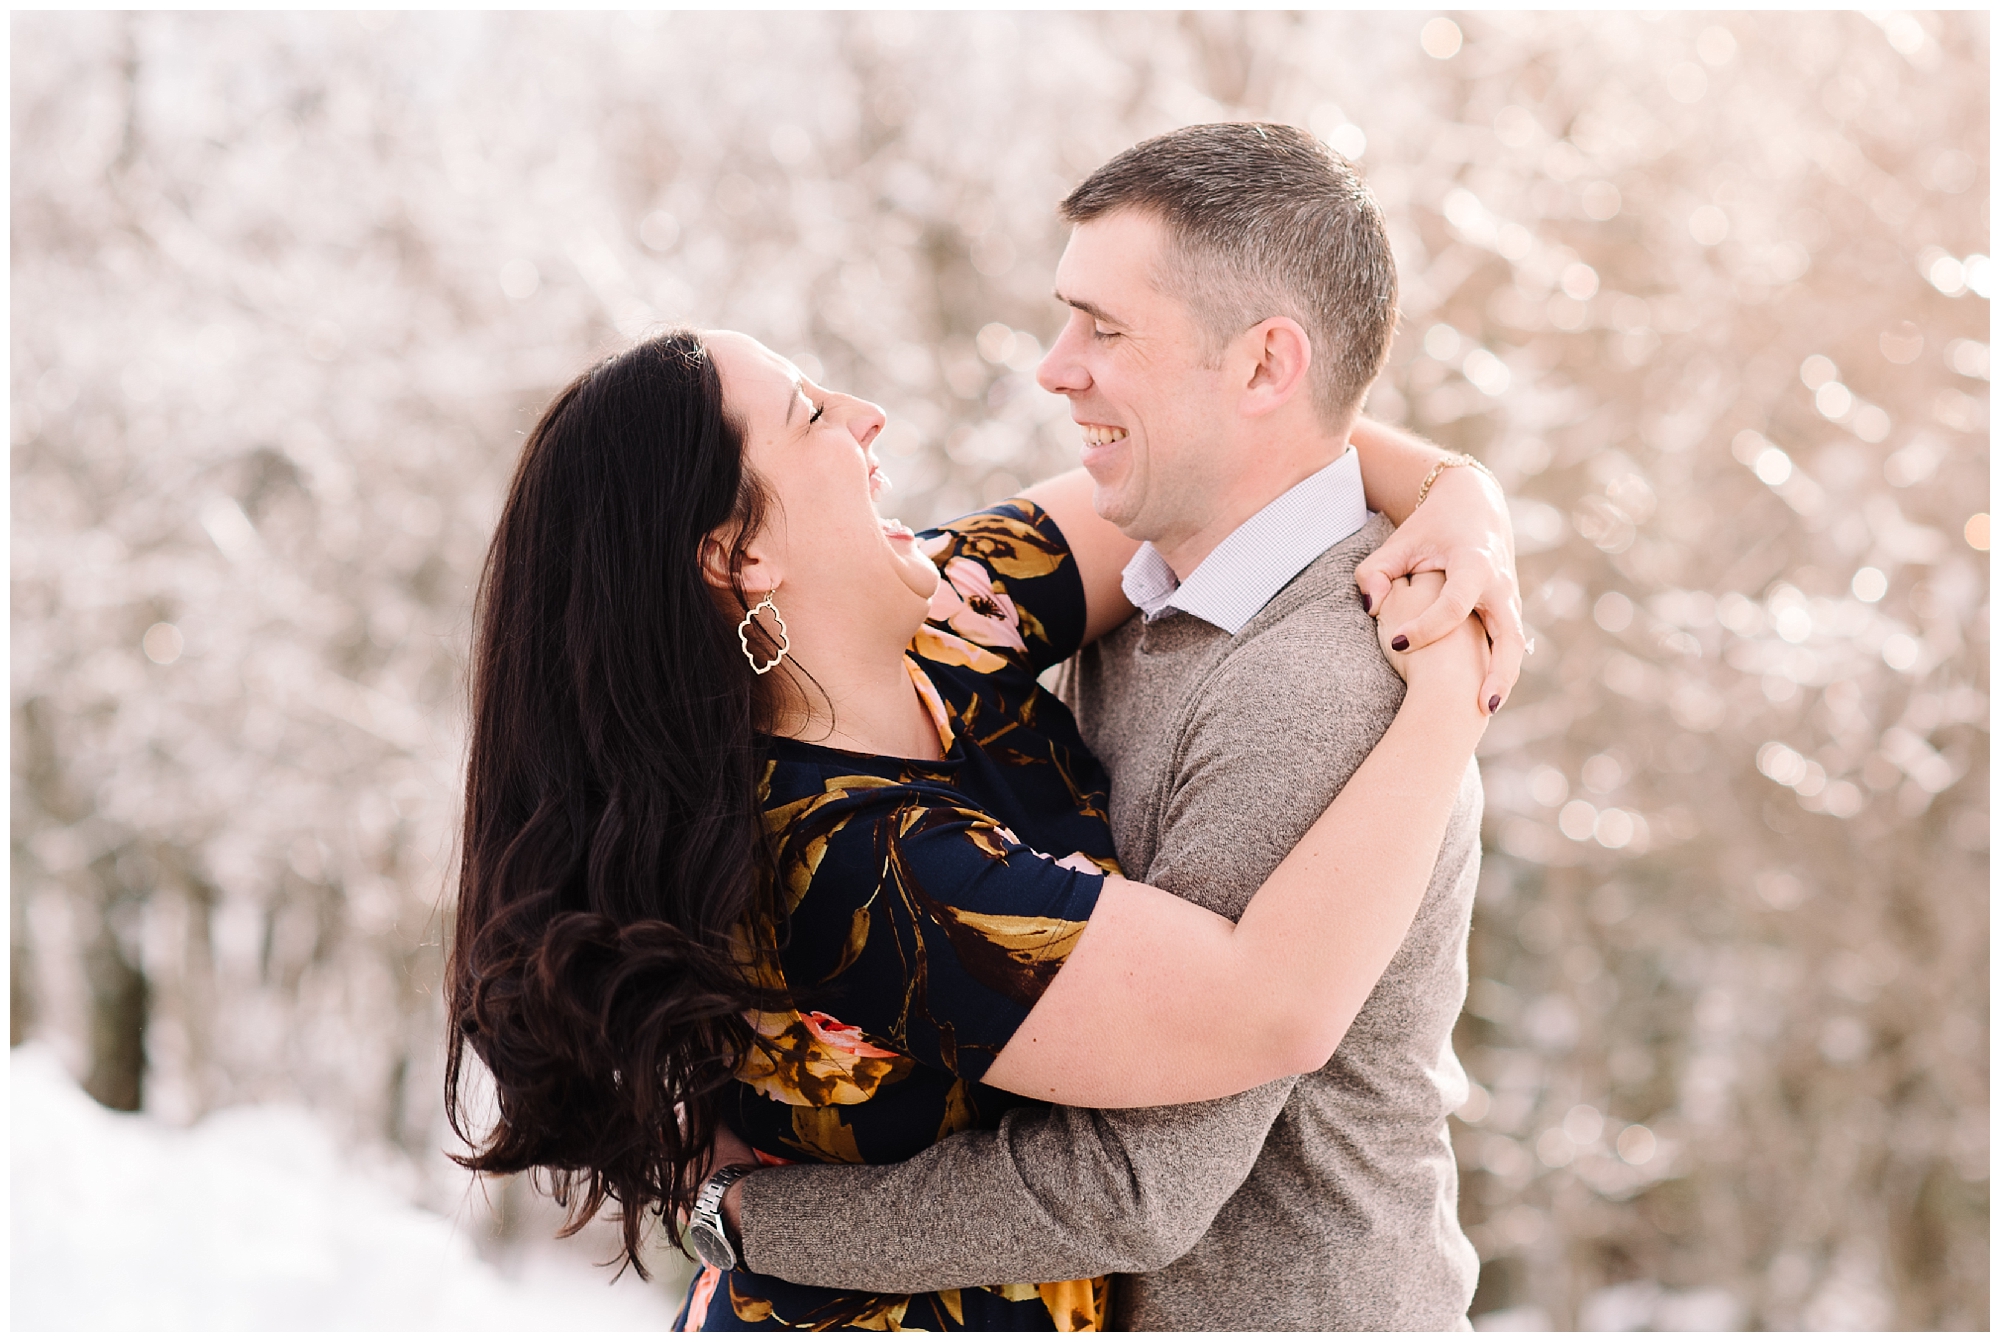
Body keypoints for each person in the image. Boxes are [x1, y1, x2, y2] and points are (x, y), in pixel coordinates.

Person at [444, 314, 1495, 1328]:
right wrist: (1450, 696)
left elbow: (1221, 456)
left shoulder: (943, 610)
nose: (867, 415)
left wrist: (1457, 494)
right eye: (810, 416)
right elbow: (1268, 1007)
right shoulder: (847, 865)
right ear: (738, 557)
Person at [708, 124, 1515, 1329]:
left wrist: (746, 1224)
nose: (1052, 368)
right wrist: (1458, 485)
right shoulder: (1094, 581)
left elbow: (1141, 1175)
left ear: (1258, 369)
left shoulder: (1322, 681)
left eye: (1103, 329)